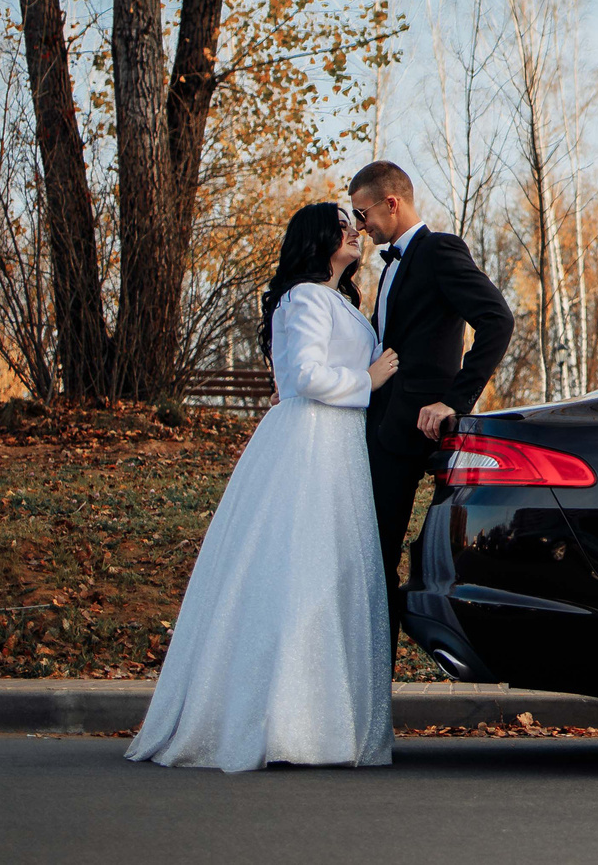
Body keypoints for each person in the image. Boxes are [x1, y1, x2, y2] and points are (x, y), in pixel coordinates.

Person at [128, 203, 399, 772]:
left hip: (340, 447)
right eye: (344, 226)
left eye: (356, 224)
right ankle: (279, 722)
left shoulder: (340, 300)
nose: (355, 231)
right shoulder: (302, 297)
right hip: (310, 445)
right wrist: (366, 381)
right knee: (299, 571)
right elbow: (302, 377)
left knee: (331, 576)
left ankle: (321, 722)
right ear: (319, 239)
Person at [348, 159, 514, 656]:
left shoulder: (438, 250)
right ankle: (369, 684)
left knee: (387, 557)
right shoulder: (391, 265)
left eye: (364, 213)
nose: (362, 226)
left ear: (391, 203)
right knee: (372, 557)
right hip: (383, 429)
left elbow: (496, 320)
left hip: (416, 431)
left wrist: (455, 401)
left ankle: (375, 685)